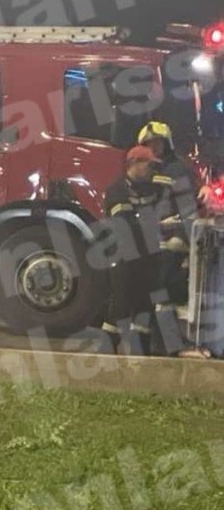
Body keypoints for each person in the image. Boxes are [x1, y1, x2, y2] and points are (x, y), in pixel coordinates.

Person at [100, 145, 167, 355]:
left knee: (145, 307)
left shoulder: (152, 187)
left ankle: (142, 355)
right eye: (148, 165)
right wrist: (154, 223)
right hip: (124, 255)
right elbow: (123, 223)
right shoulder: (117, 190)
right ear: (133, 164)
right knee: (121, 304)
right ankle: (107, 352)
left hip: (147, 256)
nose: (152, 170)